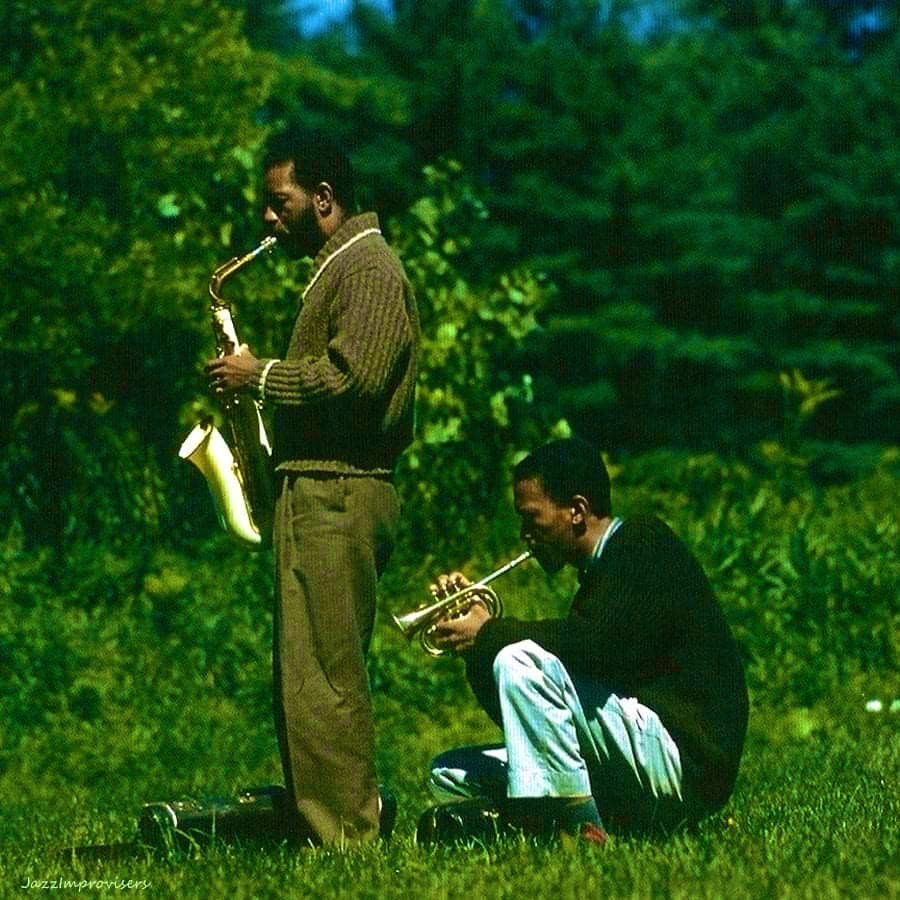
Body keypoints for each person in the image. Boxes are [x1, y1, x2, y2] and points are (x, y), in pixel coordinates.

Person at [206, 127, 420, 846]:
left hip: (341, 490)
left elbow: (354, 381)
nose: (268, 219)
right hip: (318, 488)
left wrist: (259, 376)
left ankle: (347, 839)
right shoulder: (341, 268)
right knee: (305, 675)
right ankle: (323, 825)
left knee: (325, 676)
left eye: (280, 203)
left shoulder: (369, 271)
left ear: (323, 199)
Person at [418, 437, 748, 846]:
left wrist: (489, 634)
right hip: (640, 757)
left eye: (531, 518)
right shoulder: (600, 572)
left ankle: (569, 832)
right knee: (448, 771)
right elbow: (527, 715)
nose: (525, 535)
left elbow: (594, 644)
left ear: (576, 511)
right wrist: (472, 645)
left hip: (685, 765)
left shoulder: (642, 543)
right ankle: (580, 816)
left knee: (520, 660)